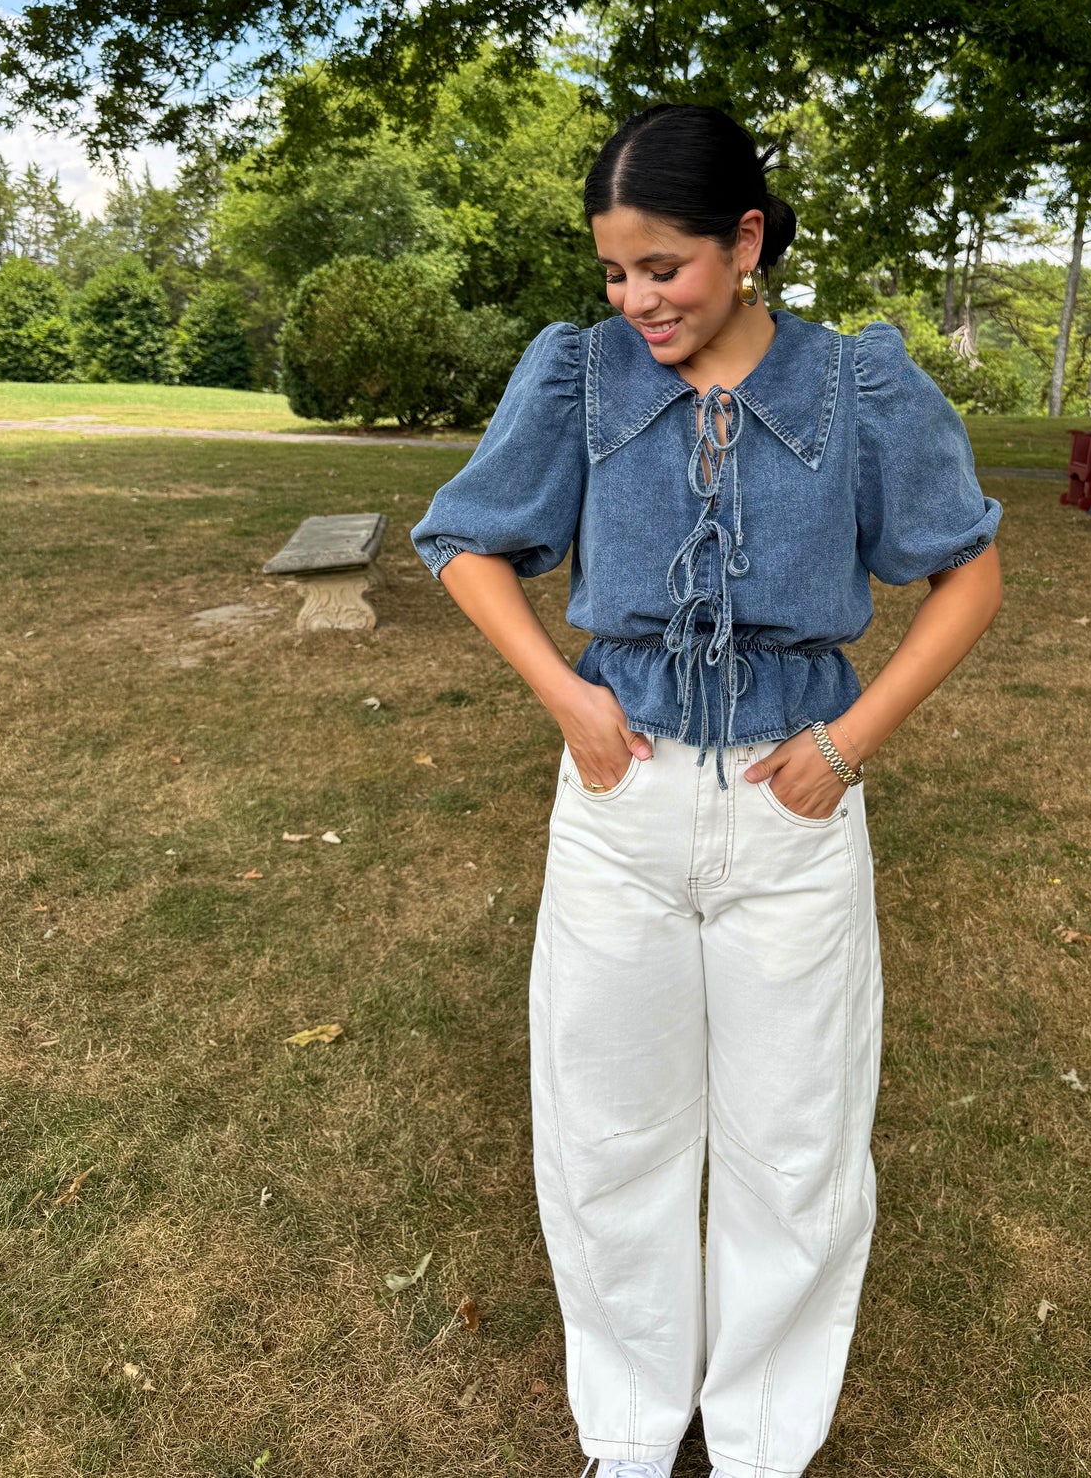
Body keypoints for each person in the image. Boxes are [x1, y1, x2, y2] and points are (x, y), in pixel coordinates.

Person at [410, 103, 1003, 1478]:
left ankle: (755, 1447)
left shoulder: (858, 386)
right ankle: (626, 1436)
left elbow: (964, 573)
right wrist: (564, 695)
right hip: (624, 806)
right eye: (615, 272)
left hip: (795, 814)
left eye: (662, 267)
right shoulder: (577, 377)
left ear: (744, 241)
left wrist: (851, 739)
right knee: (608, 1130)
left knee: (794, 1150)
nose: (636, 302)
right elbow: (466, 541)